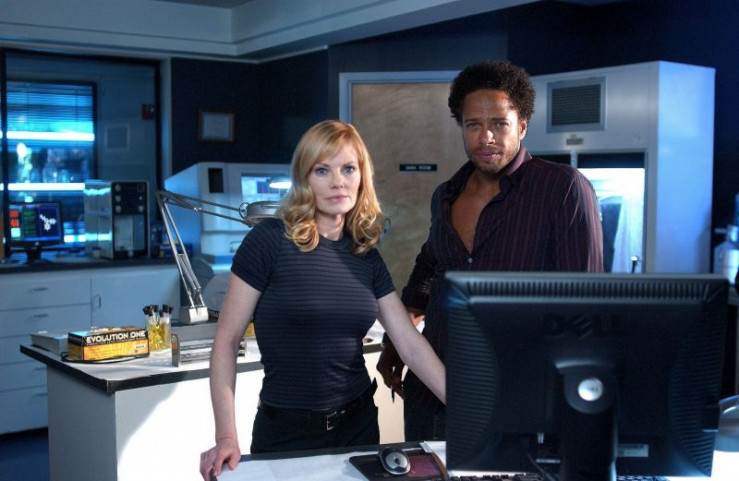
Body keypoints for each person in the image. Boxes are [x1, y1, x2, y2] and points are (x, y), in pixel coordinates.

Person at [199, 120, 446, 480]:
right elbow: (226, 341)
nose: (338, 182)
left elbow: (410, 345)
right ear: (305, 179)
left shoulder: (366, 255)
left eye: (348, 169)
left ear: (361, 177)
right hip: (285, 433)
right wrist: (225, 437)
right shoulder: (269, 241)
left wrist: (469, 410)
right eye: (322, 170)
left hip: (358, 428)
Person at [377, 60, 604, 442]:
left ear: (522, 126)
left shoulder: (562, 188)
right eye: (473, 125)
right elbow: (428, 270)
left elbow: (583, 303)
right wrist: (397, 344)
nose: (486, 137)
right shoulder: (446, 195)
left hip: (516, 397)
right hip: (432, 393)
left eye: (499, 123)